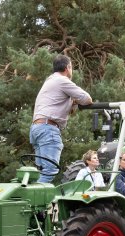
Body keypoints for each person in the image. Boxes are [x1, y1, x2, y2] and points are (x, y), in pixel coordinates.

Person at [30, 55, 93, 183]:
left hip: (36, 129)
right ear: (67, 68)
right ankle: (32, 201)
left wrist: (72, 102)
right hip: (48, 129)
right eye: (72, 67)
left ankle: (32, 199)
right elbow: (87, 99)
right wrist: (76, 100)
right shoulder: (62, 81)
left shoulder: (49, 81)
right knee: (49, 171)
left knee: (41, 171)